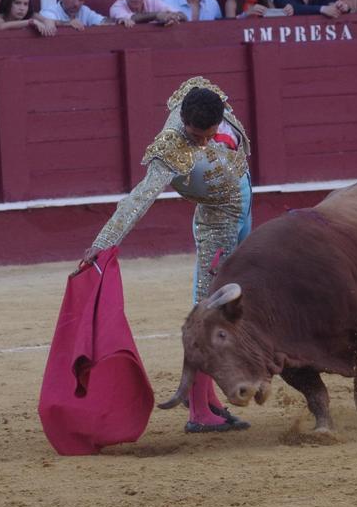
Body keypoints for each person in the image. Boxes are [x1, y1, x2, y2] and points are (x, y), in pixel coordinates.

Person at [76, 78, 254, 434]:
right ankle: (199, 412)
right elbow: (139, 199)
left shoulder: (214, 100)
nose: (202, 141)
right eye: (195, 134)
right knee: (209, 315)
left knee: (226, 309)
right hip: (217, 224)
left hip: (244, 205)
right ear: (184, 122)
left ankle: (210, 403)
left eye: (208, 133)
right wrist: (105, 240)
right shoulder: (170, 148)